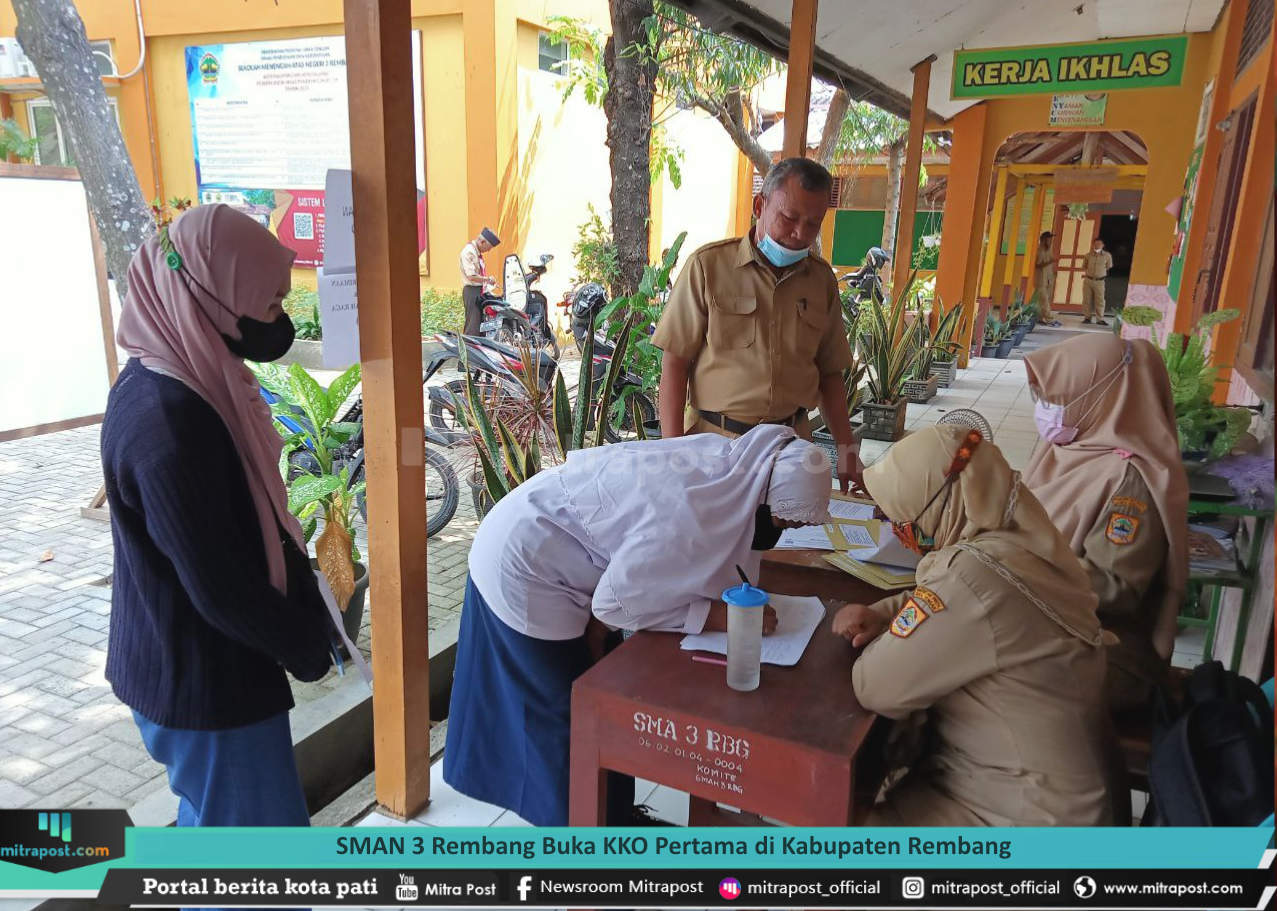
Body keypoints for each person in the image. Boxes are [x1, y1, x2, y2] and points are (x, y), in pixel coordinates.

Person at [444, 426, 832, 826]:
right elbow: (612, 605)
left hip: (558, 549)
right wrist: (716, 615)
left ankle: (612, 818)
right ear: (765, 495)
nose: (782, 531)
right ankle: (582, 841)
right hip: (527, 565)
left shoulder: (730, 473)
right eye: (784, 520)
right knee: (566, 715)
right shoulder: (688, 513)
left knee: (603, 708)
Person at [104, 204, 334, 830]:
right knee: (257, 873)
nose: (279, 323)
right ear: (211, 295)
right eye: (267, 307)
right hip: (207, 687)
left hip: (196, 667)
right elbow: (218, 584)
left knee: (213, 840)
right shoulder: (169, 422)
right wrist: (304, 645)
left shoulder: (182, 371)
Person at [832, 425, 1112, 826]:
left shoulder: (975, 576)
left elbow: (877, 687)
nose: (904, 537)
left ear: (942, 504)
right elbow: (958, 608)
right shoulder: (1018, 535)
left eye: (905, 524)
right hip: (1045, 793)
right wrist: (886, 612)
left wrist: (894, 634)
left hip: (1019, 816)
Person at [651, 157, 862, 491]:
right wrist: (671, 453)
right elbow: (674, 363)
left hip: (790, 451)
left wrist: (847, 453)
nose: (799, 234)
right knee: (709, 540)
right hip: (715, 448)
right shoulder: (708, 267)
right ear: (759, 205)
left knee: (788, 543)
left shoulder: (820, 281)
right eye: (789, 218)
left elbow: (829, 374)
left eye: (812, 224)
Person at [1023, 334, 1188, 712]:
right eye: (1045, 398)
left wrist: (1010, 567)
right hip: (1040, 618)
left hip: (1102, 648)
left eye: (1060, 399)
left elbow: (1115, 589)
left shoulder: (1129, 480)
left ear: (1102, 397)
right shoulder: (1065, 450)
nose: (1047, 409)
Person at [460, 227, 500, 336]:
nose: (488, 250)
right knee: (473, 328)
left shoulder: (477, 253)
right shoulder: (469, 252)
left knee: (481, 328)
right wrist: (487, 279)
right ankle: (468, 351)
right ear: (482, 242)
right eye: (489, 247)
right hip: (472, 292)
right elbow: (471, 276)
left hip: (479, 291)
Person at [1081, 237, 1113, 325]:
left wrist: (1099, 273)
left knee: (1100, 300)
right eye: (1095, 243)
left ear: (1103, 245)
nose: (1097, 245)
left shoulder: (1107, 255)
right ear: (1093, 244)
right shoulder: (1088, 255)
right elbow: (1084, 266)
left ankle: (1100, 319)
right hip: (1088, 280)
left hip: (1100, 281)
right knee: (1086, 299)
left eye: (1099, 243)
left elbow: (1108, 266)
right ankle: (1087, 318)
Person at [1033, 231, 1062, 327]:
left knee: (1045, 300)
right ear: (1043, 240)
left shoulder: (1049, 250)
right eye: (1049, 239)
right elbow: (1037, 265)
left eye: (1051, 239)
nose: (1050, 241)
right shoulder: (1039, 250)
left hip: (1049, 279)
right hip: (1040, 280)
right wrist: (1051, 261)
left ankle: (1040, 318)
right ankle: (1050, 320)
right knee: (1044, 300)